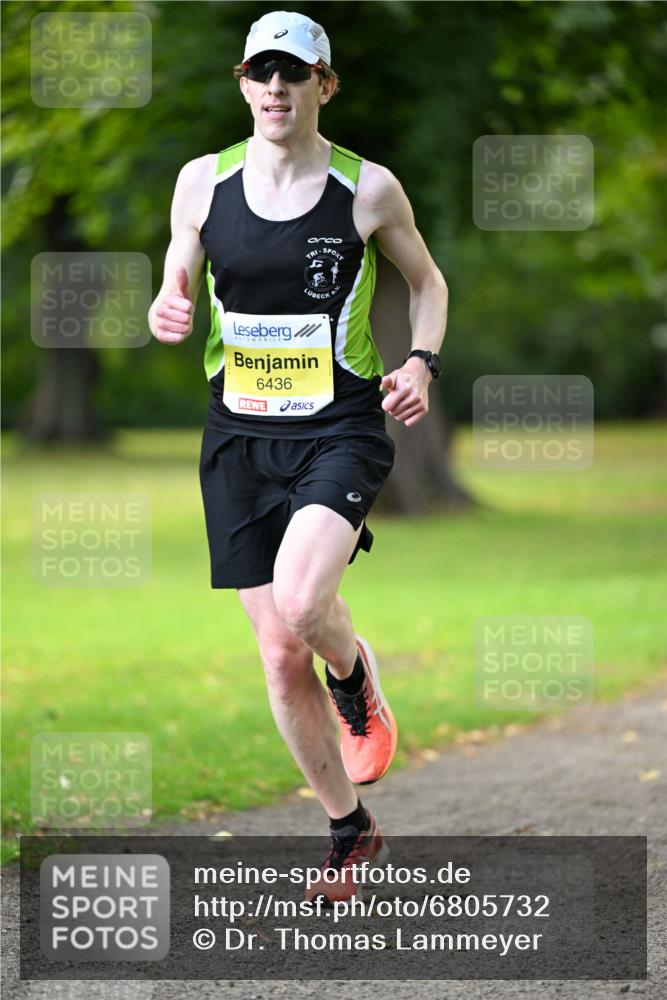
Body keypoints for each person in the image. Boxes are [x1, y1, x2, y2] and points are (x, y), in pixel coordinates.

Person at [148, 9, 448, 904]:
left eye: (295, 73)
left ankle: (355, 679)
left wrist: (421, 363)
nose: (276, 89)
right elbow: (179, 272)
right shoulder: (202, 181)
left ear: (323, 85)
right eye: (261, 73)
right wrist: (168, 304)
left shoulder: (367, 189)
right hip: (237, 436)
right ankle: (348, 828)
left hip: (338, 428)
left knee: (302, 600)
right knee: (279, 654)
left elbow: (427, 283)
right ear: (242, 83)